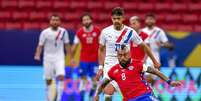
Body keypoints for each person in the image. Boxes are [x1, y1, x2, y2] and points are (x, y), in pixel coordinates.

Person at [95, 7, 160, 101]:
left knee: (131, 93)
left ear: (123, 18)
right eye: (114, 18)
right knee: (108, 91)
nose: (116, 21)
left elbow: (144, 46)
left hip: (125, 63)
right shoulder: (105, 32)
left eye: (118, 18)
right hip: (110, 64)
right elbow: (100, 49)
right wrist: (101, 67)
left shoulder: (130, 32)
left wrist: (154, 61)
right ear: (111, 18)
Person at [94, 44, 182, 101]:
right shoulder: (113, 70)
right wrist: (97, 95)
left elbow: (155, 71)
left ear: (129, 54)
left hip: (145, 96)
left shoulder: (137, 64)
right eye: (120, 55)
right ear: (117, 56)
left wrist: (170, 82)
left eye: (125, 55)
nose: (123, 57)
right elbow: (103, 84)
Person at [34, 14, 71, 101]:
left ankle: (59, 99)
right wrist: (37, 54)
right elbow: (40, 45)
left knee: (61, 77)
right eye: (53, 20)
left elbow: (67, 45)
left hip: (60, 58)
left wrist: (70, 57)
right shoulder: (45, 32)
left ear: (59, 22)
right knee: (48, 80)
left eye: (57, 20)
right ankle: (49, 98)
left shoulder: (63, 32)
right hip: (48, 59)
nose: (55, 22)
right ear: (50, 22)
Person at [71, 12, 101, 101]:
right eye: (84, 20)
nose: (86, 21)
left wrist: (103, 59)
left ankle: (91, 96)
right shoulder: (79, 32)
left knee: (95, 83)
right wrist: (72, 58)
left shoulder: (97, 31)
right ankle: (81, 99)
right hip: (83, 60)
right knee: (83, 81)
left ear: (91, 20)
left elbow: (102, 46)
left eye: (87, 19)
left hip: (94, 60)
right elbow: (74, 46)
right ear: (82, 22)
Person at [142, 13, 174, 83]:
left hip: (155, 57)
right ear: (145, 21)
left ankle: (151, 92)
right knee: (147, 78)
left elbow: (169, 45)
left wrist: (162, 44)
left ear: (154, 21)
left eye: (151, 19)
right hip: (145, 57)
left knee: (152, 79)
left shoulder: (159, 31)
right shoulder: (142, 31)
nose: (149, 21)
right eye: (148, 19)